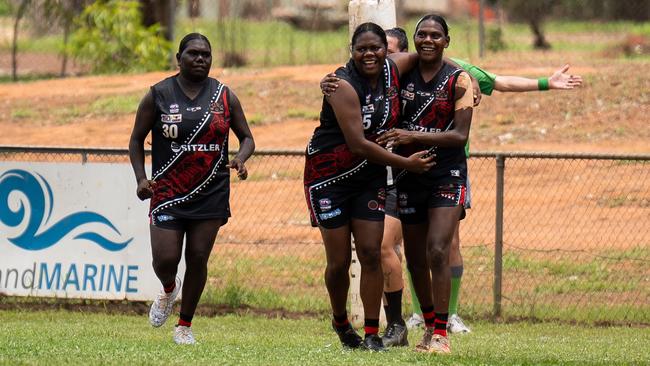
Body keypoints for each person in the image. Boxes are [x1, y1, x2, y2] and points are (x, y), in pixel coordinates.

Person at [322, 26, 583, 337]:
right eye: (376, 50)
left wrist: (542, 83)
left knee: (444, 246)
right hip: (398, 172)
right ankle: (401, 322)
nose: (381, 57)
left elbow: (497, 82)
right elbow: (346, 90)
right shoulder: (382, 77)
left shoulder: (442, 67)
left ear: (404, 52)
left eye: (388, 51)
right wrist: (326, 81)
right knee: (386, 247)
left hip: (446, 171)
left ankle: (446, 317)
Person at [304, 22, 435, 351]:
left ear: (386, 50)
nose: (369, 54)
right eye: (361, 49)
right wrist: (407, 163)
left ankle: (373, 333)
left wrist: (465, 80)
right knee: (338, 261)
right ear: (352, 51)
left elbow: (433, 56)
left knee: (371, 253)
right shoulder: (341, 85)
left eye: (376, 47)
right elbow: (358, 144)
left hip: (370, 176)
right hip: (330, 177)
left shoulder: (394, 68)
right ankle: (340, 321)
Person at [128, 33, 255, 345]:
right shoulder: (158, 94)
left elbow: (247, 137)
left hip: (210, 190)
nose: (201, 59)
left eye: (206, 55)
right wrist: (141, 179)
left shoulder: (224, 96)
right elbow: (135, 140)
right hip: (168, 191)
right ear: (179, 58)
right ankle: (169, 289)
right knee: (165, 260)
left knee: (198, 257)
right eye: (194, 54)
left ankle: (184, 325)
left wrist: (239, 158)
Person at [376, 14, 474, 354]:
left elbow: (460, 135)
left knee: (437, 249)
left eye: (435, 35)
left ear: (447, 40)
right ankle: (429, 327)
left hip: (447, 175)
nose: (428, 40)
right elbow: (370, 71)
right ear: (414, 39)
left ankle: (442, 334)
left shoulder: (459, 80)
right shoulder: (403, 73)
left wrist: (410, 135)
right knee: (415, 257)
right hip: (408, 174)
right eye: (422, 34)